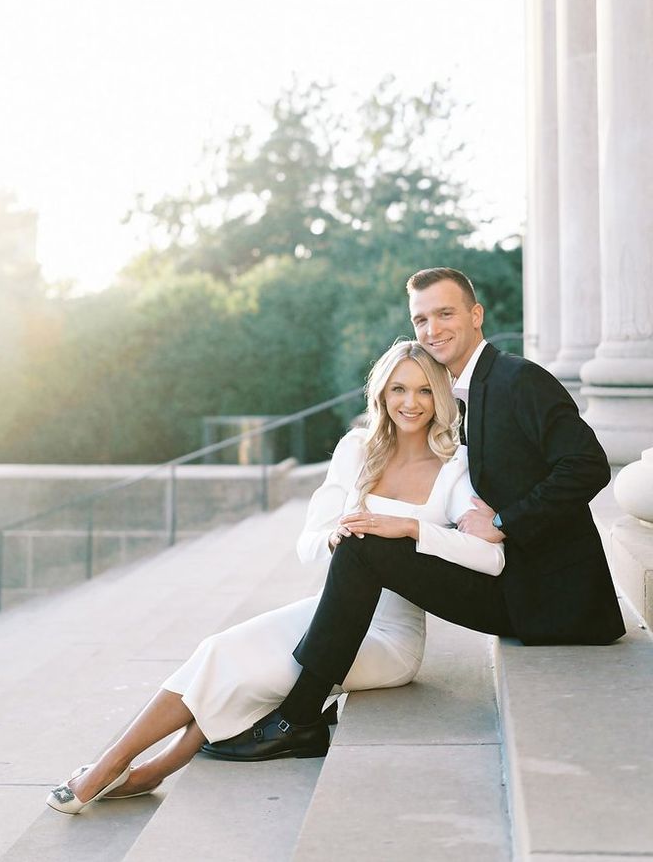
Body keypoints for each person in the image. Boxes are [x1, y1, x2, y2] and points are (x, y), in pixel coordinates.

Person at [46, 339, 504, 813]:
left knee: (258, 670)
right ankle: (117, 763)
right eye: (399, 389)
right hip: (331, 611)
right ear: (382, 394)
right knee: (220, 650)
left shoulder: (455, 466)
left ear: (441, 398)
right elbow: (308, 541)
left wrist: (412, 529)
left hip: (390, 637)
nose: (411, 403)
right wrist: (333, 540)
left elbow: (489, 559)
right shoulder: (356, 449)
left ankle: (144, 770)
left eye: (425, 391)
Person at [206, 267, 625, 763]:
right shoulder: (457, 395)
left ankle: (298, 718)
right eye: (421, 319)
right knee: (361, 542)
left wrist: (503, 521)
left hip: (551, 599)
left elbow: (588, 466)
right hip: (511, 584)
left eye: (445, 313)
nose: (433, 329)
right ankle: (301, 711)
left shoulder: (518, 379)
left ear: (476, 315)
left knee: (363, 549)